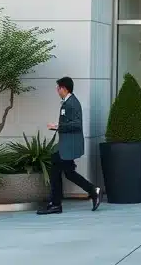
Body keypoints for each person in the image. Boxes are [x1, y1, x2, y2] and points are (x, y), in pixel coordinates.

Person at [37, 77, 101, 215]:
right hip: (66, 145)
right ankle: (92, 190)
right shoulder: (69, 102)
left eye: (58, 88)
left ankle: (56, 204)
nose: (57, 90)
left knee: (56, 171)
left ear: (64, 88)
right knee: (68, 173)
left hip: (68, 146)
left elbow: (77, 124)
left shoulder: (72, 103)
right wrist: (58, 126)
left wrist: (58, 126)